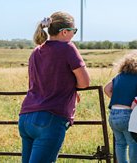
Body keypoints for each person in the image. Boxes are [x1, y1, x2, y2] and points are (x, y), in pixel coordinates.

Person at [18, 11, 90, 163]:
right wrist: (72, 87)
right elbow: (84, 82)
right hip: (51, 116)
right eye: (74, 31)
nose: (73, 35)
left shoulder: (36, 52)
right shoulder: (68, 48)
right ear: (64, 32)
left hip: (26, 116)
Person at [104, 50, 137, 163]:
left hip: (113, 114)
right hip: (128, 114)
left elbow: (106, 89)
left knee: (120, 143)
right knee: (133, 143)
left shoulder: (119, 76)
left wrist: (118, 99)